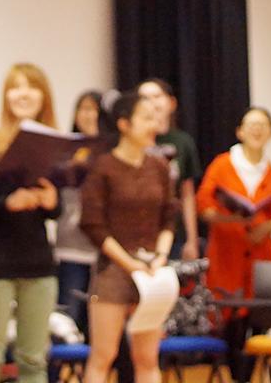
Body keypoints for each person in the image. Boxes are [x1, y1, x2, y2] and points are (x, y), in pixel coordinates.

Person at [0, 62, 61, 383]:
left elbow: (53, 212)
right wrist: (7, 202)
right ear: (5, 96)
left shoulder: (53, 146)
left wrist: (51, 203)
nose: (23, 94)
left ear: (43, 96)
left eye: (31, 86)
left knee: (34, 360)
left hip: (38, 263)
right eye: (15, 87)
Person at [80, 93, 176, 383]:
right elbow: (93, 226)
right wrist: (129, 263)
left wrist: (159, 257)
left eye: (156, 118)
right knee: (103, 356)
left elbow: (169, 219)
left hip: (152, 272)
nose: (154, 125)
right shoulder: (103, 167)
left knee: (147, 358)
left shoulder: (159, 167)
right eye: (146, 118)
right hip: (114, 269)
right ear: (124, 124)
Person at [196, 107, 271, 382]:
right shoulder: (223, 164)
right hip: (227, 255)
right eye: (251, 124)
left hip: (261, 256)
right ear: (239, 131)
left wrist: (267, 227)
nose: (257, 129)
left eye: (263, 125)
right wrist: (230, 217)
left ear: (270, 133)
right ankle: (236, 378)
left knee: (260, 324)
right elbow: (204, 206)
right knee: (231, 325)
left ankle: (250, 377)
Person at [55, 90, 103, 334]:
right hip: (70, 246)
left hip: (104, 248)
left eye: (95, 109)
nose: (89, 114)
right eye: (83, 108)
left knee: (99, 326)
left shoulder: (112, 150)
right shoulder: (65, 148)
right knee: (67, 320)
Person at [138, 78, 201, 260]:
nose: (151, 102)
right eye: (144, 97)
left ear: (171, 103)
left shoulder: (183, 142)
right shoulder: (134, 142)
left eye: (157, 96)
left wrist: (192, 239)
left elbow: (187, 194)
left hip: (173, 231)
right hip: (140, 232)